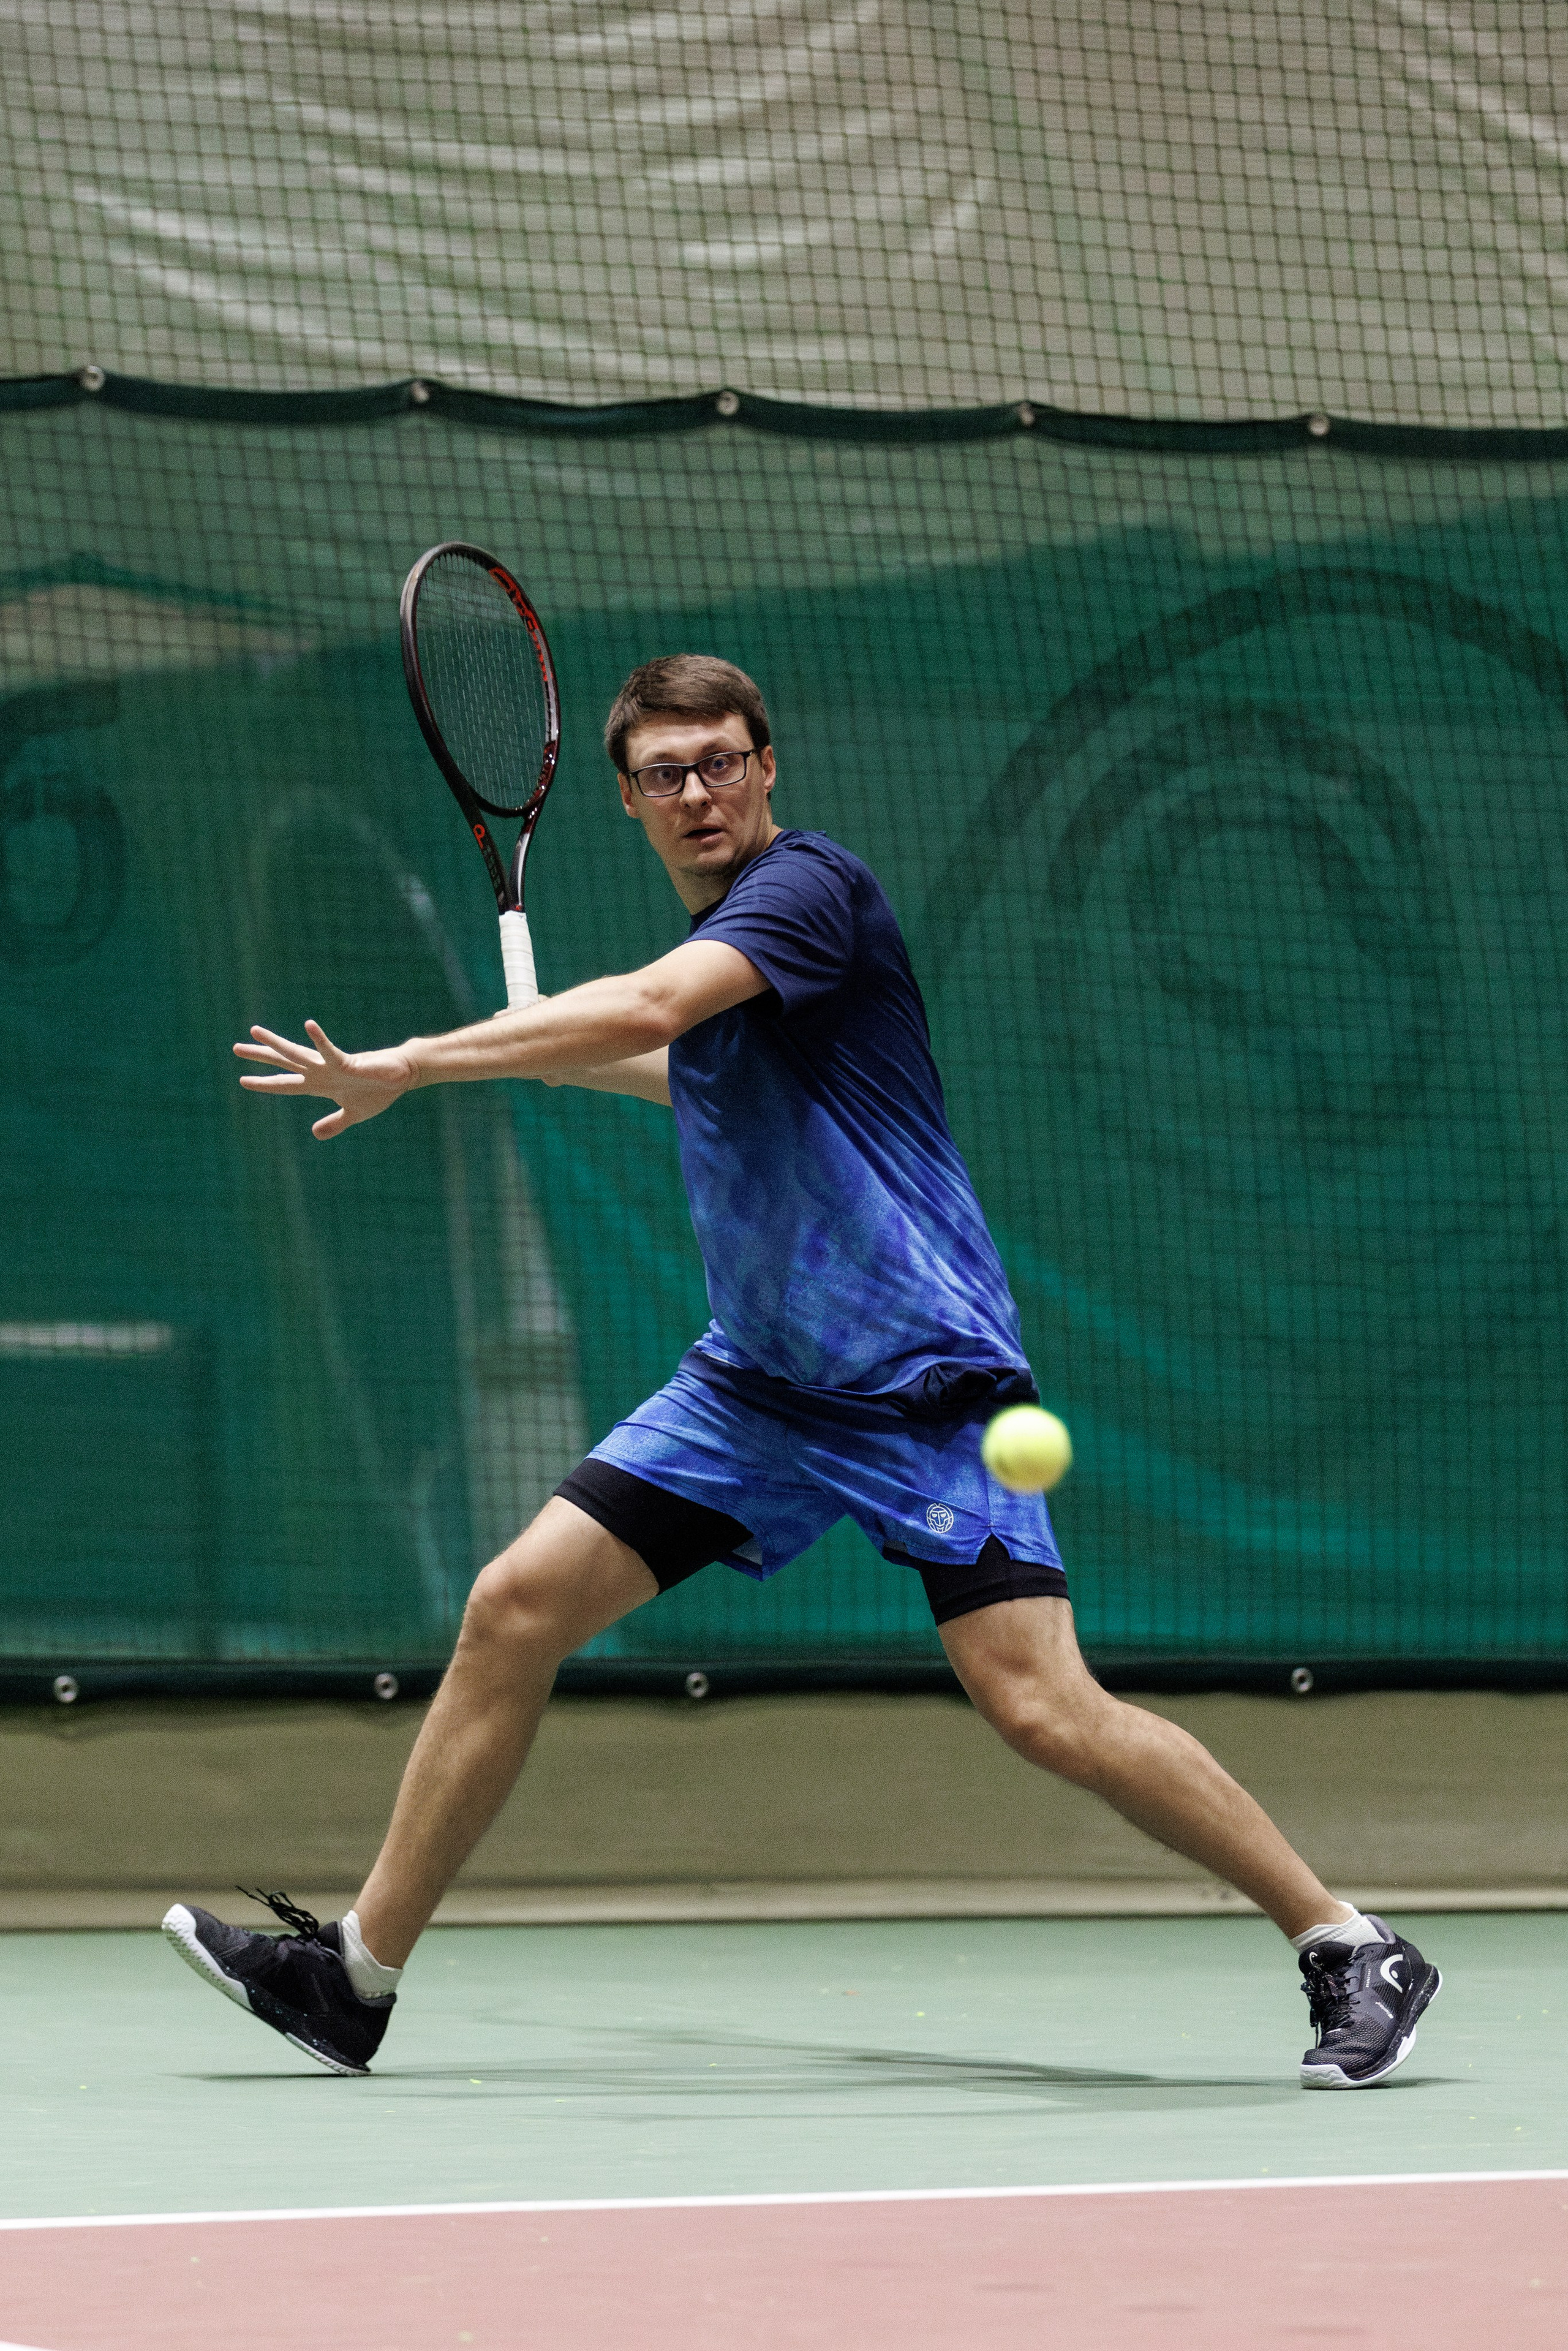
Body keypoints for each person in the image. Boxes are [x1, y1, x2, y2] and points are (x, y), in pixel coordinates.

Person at [164, 654, 1439, 2087]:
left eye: (719, 761)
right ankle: (354, 1976)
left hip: (921, 1382)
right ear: (628, 798)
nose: (696, 791)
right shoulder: (724, 965)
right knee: (513, 1605)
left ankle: (1343, 1937)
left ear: (768, 766)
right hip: (755, 1387)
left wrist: (420, 1058)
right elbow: (685, 1063)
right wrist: (534, 1052)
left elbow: (652, 1010)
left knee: (1039, 1706)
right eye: (664, 773)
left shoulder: (809, 893)